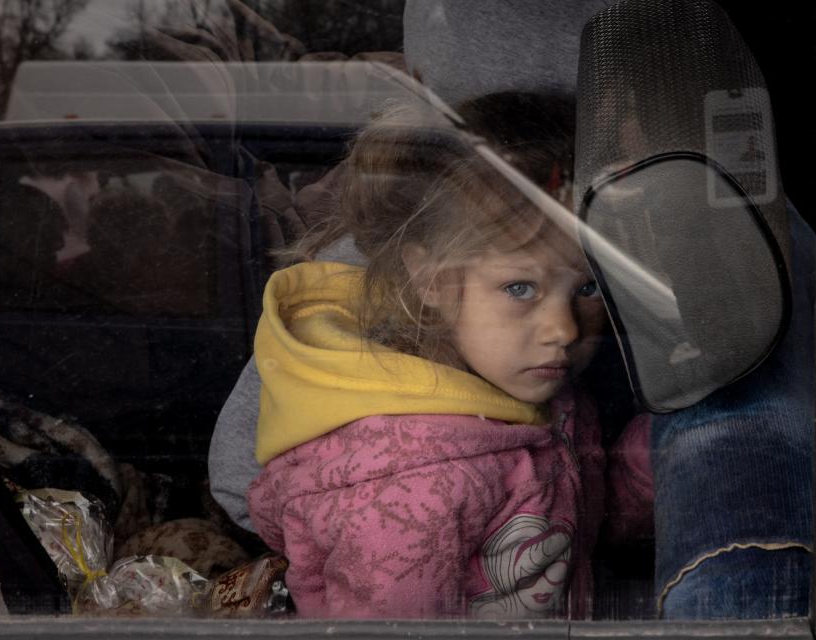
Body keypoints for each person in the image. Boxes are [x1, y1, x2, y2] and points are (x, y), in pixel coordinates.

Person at [245, 93, 650, 619]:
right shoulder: (409, 496)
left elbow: (578, 514)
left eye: (589, 287)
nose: (563, 327)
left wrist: (653, 463)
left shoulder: (541, 397)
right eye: (520, 288)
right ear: (432, 279)